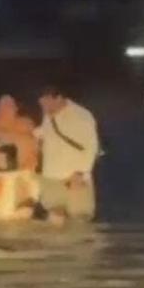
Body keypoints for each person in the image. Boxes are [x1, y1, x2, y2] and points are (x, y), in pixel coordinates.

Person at [36, 85, 99, 225]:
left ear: (58, 98)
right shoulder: (48, 114)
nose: (44, 107)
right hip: (51, 176)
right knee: (54, 220)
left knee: (79, 222)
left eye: (46, 103)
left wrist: (81, 173)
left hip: (74, 178)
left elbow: (91, 146)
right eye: (42, 104)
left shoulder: (82, 116)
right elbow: (46, 133)